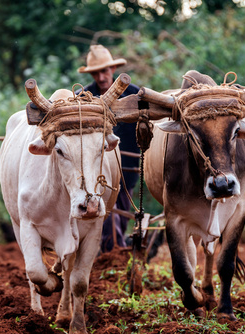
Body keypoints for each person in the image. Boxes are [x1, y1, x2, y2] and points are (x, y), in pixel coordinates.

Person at [77, 44, 140, 253]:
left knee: (119, 215)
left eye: (104, 71)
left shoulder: (135, 95)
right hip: (93, 169)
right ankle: (107, 254)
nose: (101, 77)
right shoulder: (83, 97)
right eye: (96, 73)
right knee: (97, 214)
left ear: (112, 70)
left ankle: (112, 256)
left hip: (127, 167)